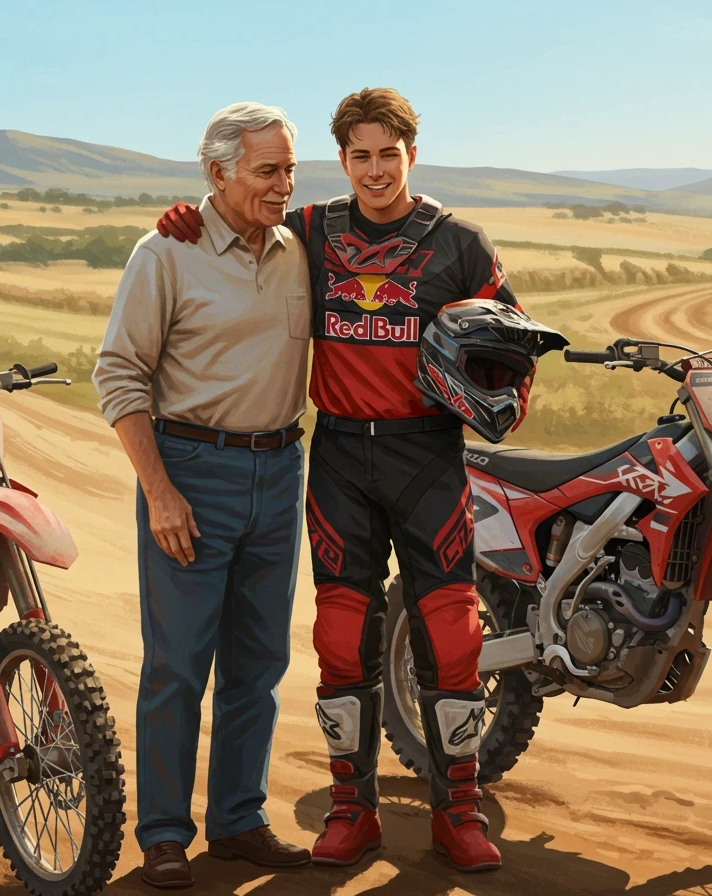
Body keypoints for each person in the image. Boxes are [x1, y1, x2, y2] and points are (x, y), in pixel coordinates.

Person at [157, 88, 530, 873]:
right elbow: (236, 219)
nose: (375, 170)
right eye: (360, 155)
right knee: (341, 639)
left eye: (389, 154)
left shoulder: (460, 242)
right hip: (338, 458)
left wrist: (506, 400)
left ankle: (458, 814)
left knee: (453, 637)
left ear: (412, 155)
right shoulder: (309, 231)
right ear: (343, 159)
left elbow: (512, 342)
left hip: (427, 457)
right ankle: (351, 812)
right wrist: (188, 216)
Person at [94, 102, 313, 891]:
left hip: (281, 471)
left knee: (260, 663)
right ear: (217, 173)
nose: (283, 185)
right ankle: (163, 834)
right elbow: (118, 374)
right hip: (191, 472)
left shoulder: (302, 248)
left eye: (290, 170)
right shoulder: (165, 252)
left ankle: (238, 821)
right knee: (178, 666)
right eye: (267, 171)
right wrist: (159, 491)